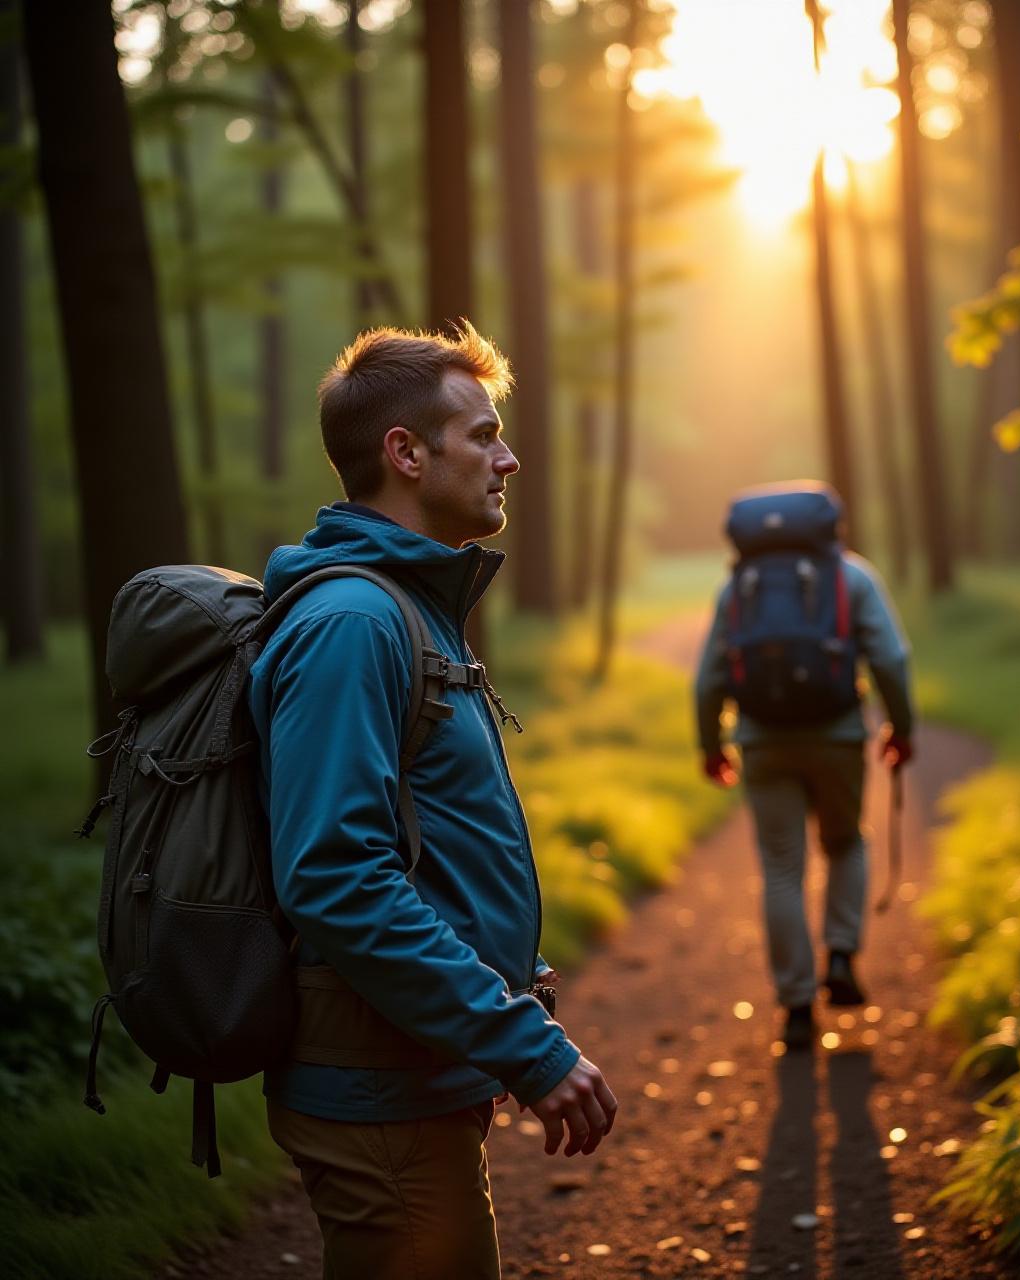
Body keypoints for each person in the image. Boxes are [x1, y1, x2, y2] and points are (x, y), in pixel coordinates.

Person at [248, 323, 617, 1280]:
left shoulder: (406, 608)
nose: (510, 458)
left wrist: (505, 980)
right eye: (483, 435)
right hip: (377, 1089)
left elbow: (423, 838)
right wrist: (520, 1044)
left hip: (409, 1070)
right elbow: (336, 877)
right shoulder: (354, 623)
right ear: (406, 453)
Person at [694, 484, 914, 1050]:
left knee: (782, 867)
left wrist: (711, 746)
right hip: (838, 735)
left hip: (762, 741)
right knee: (845, 843)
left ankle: (796, 1005)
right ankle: (840, 954)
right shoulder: (852, 577)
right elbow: (891, 658)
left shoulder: (737, 587)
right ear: (830, 527)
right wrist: (902, 728)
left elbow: (708, 678)